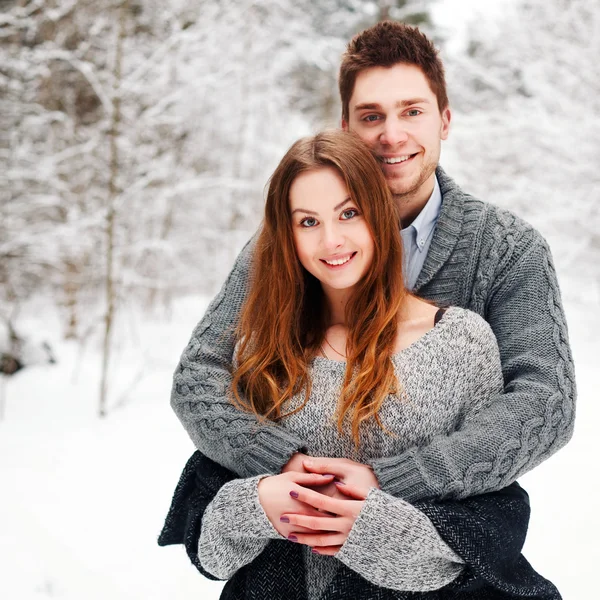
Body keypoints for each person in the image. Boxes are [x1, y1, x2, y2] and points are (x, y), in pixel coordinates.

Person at [170, 20, 575, 505]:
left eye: (412, 111)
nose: (392, 134)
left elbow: (545, 404)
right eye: (371, 116)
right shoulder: (291, 240)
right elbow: (199, 373)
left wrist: (391, 481)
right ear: (346, 127)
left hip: (449, 536)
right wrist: (285, 463)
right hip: (299, 529)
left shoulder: (508, 249)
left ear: (444, 120)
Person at [160, 130, 560, 599]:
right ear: (284, 234)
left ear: (379, 213)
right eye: (307, 222)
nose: (331, 241)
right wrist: (260, 504)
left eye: (348, 213)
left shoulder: (460, 342)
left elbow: (491, 532)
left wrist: (377, 529)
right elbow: (212, 549)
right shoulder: (262, 348)